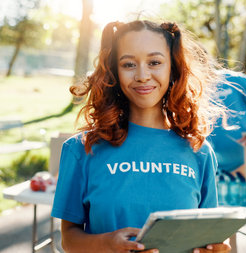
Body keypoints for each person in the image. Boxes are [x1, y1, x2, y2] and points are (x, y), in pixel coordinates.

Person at [51, 20, 231, 253]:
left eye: (154, 62)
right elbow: (69, 240)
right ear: (114, 71)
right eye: (128, 64)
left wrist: (215, 248)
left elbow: (206, 237)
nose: (143, 75)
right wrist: (107, 244)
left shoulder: (200, 151)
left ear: (173, 68)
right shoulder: (81, 149)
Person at [208, 70, 246, 253]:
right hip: (214, 168)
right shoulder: (194, 84)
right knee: (226, 228)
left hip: (244, 162)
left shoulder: (237, 80)